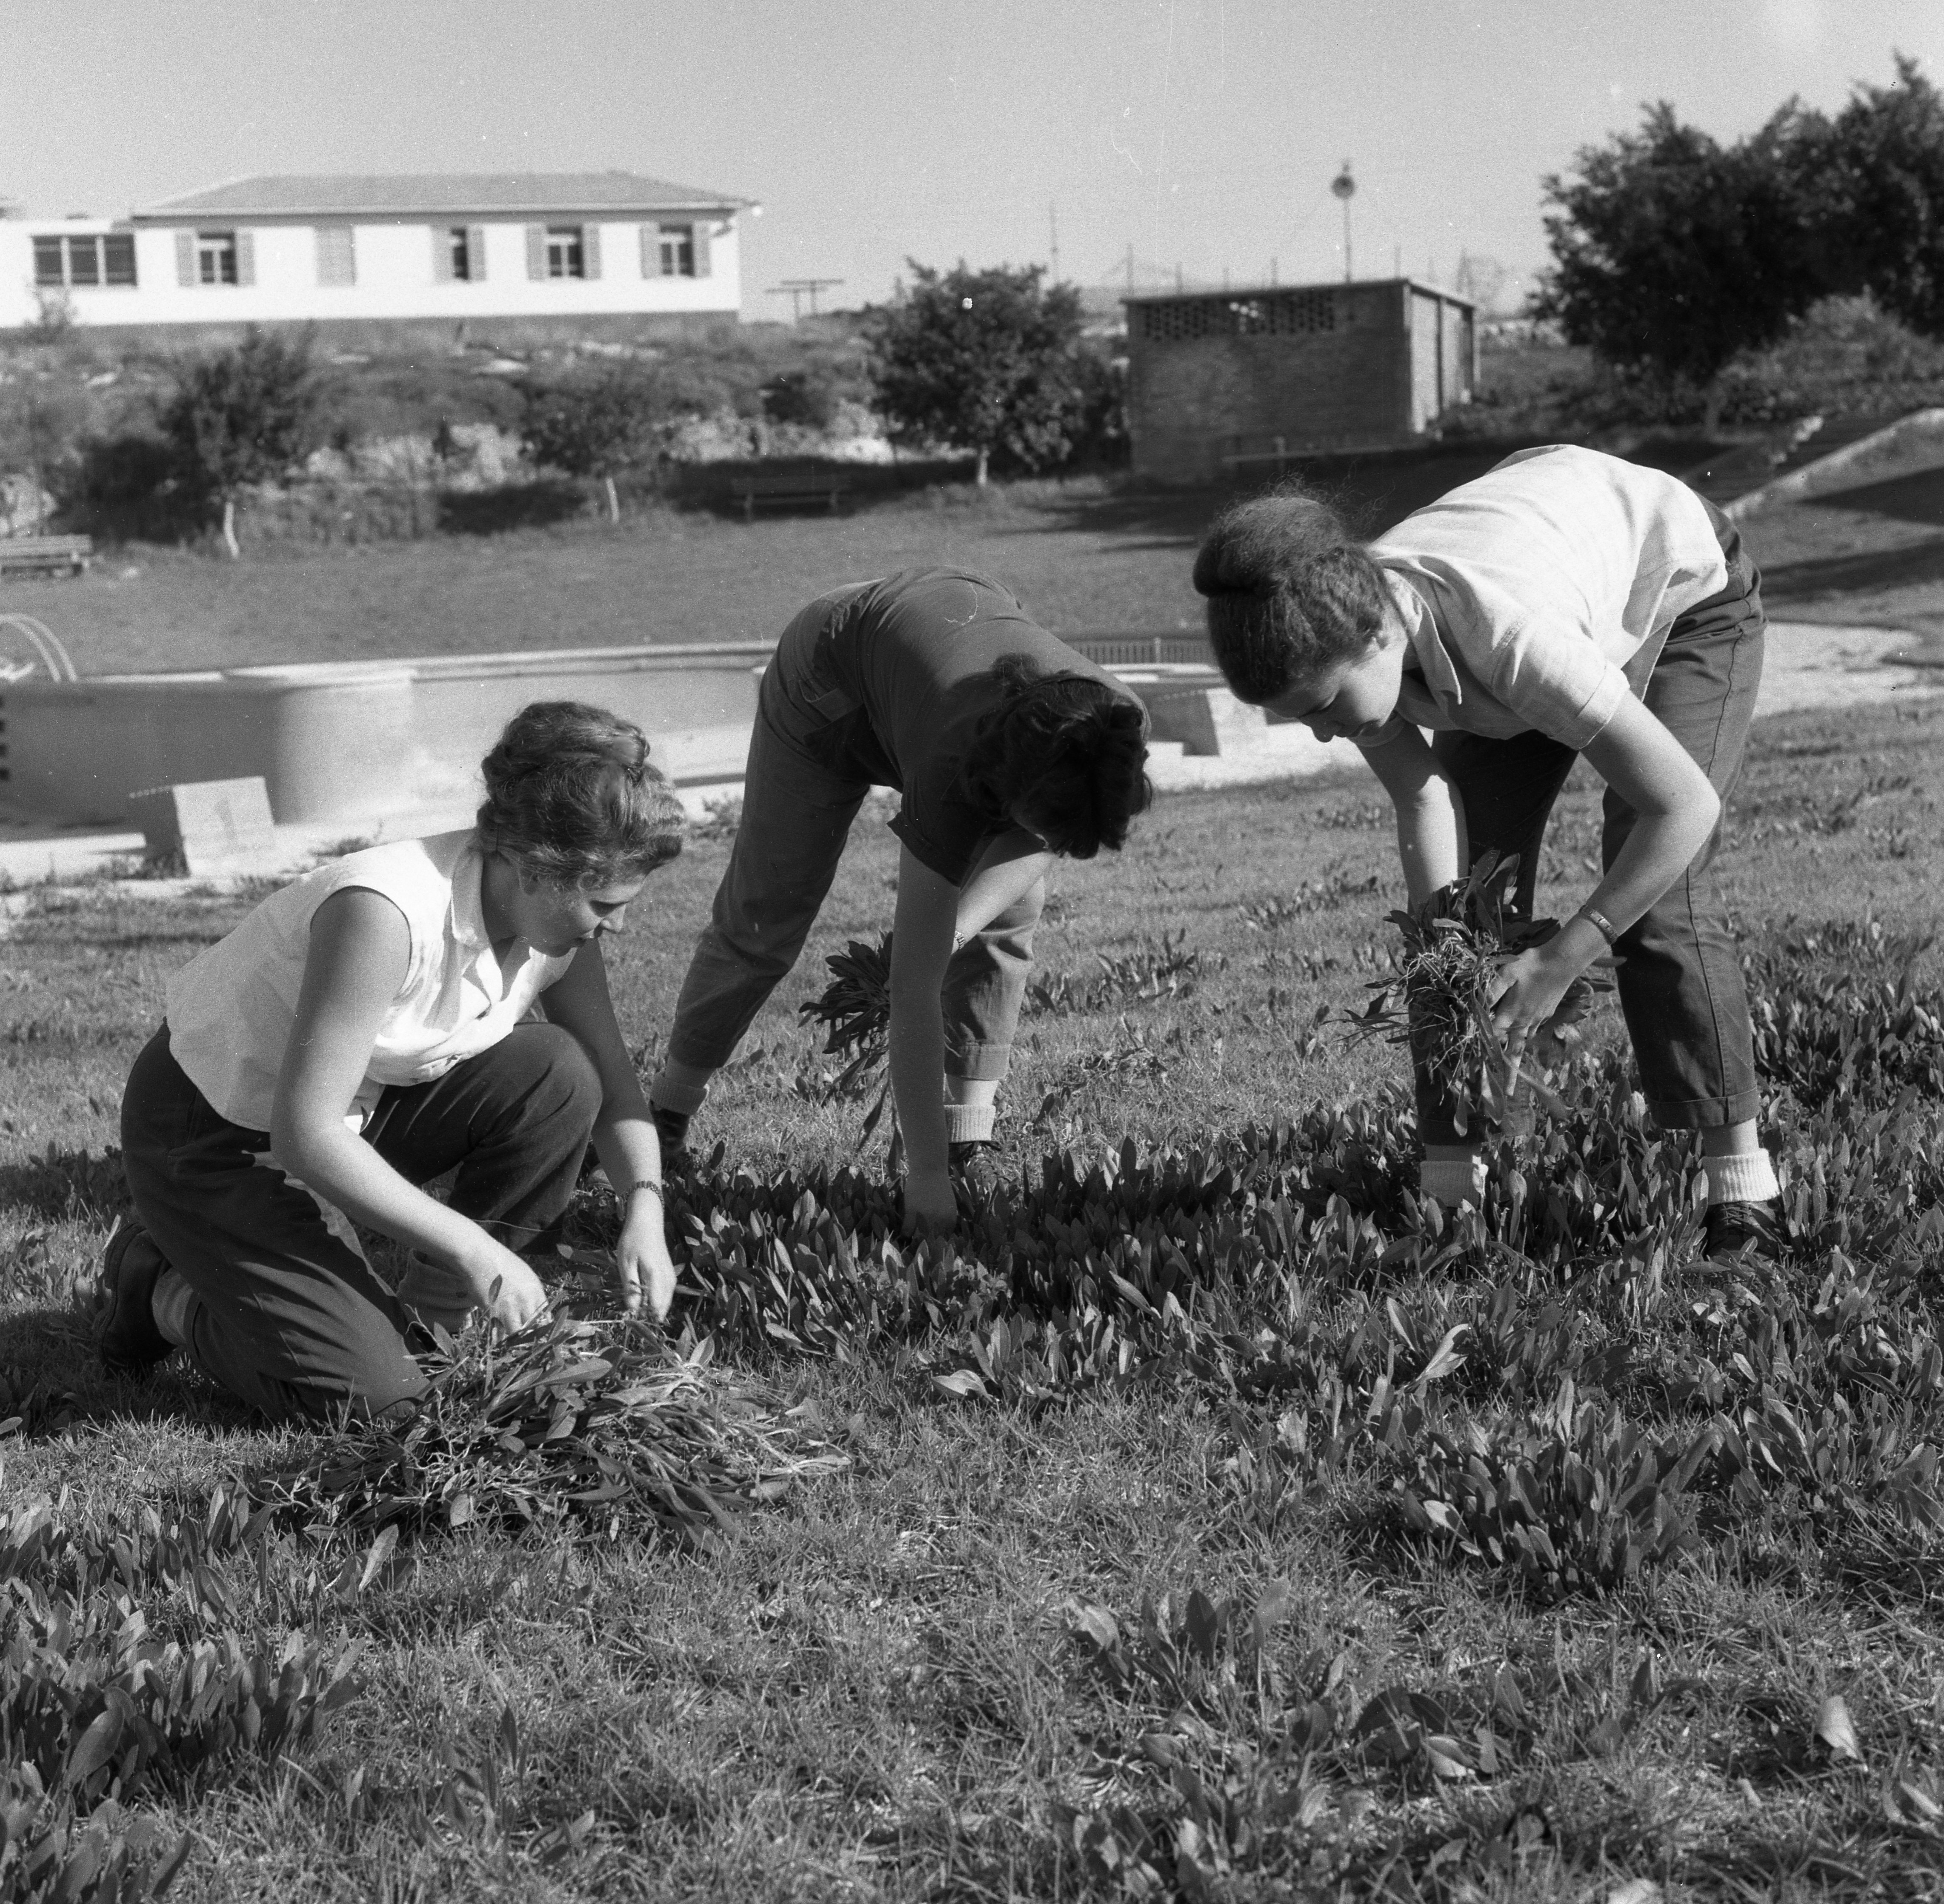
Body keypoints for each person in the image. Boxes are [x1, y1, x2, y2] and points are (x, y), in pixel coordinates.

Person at [1193, 444, 1783, 1261]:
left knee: (1659, 898)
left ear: (1376, 636)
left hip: (1679, 584)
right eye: (1303, 720)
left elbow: (1684, 808)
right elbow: (1426, 796)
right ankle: (1452, 1206)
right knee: (1459, 930)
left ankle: (1744, 1196)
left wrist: (1565, 957)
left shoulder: (1513, 637)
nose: (1326, 732)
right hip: (1544, 581)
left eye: (1324, 707)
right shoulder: (1335, 629)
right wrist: (1452, 953)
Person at [97, 701, 688, 1422]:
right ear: (534, 867)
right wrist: (475, 1244)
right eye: (603, 901)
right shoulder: (384, 910)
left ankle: (439, 1328)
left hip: (350, 1112)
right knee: (378, 1404)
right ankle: (159, 1281)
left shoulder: (560, 936)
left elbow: (617, 1094)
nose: (618, 923)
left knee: (560, 1075)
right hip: (215, 1132)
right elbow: (305, 1136)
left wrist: (646, 1211)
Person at [647, 567, 1152, 1229]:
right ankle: (664, 1117)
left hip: (947, 678)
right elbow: (910, 990)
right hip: (828, 683)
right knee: (768, 909)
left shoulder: (1112, 727)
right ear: (999, 783)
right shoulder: (952, 763)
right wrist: (925, 1177)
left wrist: (955, 928)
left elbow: (1041, 838)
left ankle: (968, 1130)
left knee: (1010, 909)